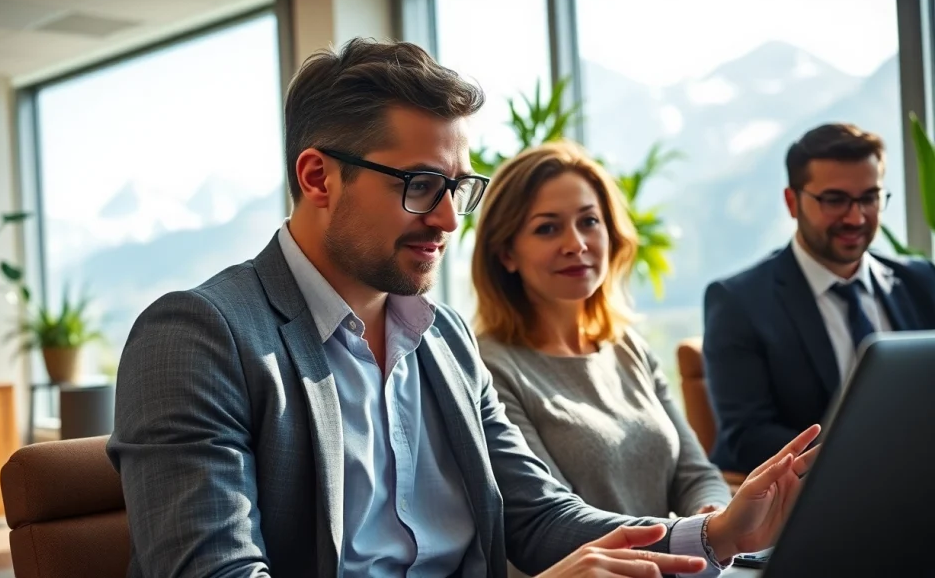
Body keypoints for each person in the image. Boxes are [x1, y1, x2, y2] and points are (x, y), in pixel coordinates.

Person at [107, 37, 818, 578]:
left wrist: (720, 533)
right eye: (420, 184)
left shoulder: (440, 336)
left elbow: (539, 515)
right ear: (318, 176)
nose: (449, 221)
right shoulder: (202, 336)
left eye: (458, 187)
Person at [472, 141, 732, 577]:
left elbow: (696, 472)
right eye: (547, 229)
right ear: (506, 254)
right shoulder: (489, 366)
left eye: (589, 221)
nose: (576, 244)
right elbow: (553, 523)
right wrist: (703, 535)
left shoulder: (627, 345)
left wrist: (713, 515)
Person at [703, 122, 935, 474]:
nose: (855, 217)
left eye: (869, 197)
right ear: (792, 202)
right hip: (819, 496)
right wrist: (870, 455)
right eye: (834, 200)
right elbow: (747, 438)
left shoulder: (921, 280)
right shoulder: (738, 302)